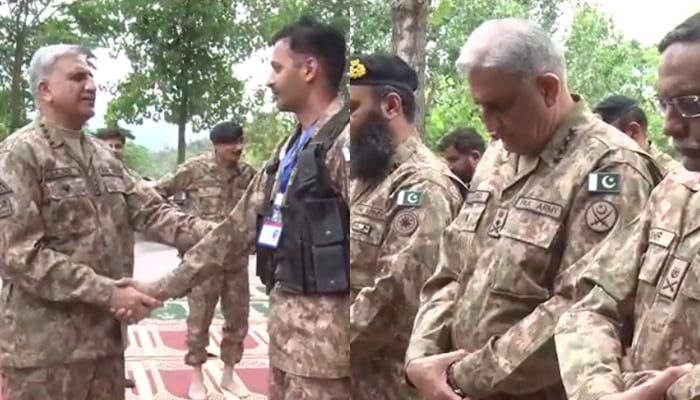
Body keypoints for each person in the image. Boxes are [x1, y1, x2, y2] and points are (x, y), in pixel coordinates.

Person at [403, 18, 662, 400]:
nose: (490, 126)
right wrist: (421, 359)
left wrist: (462, 377)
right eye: (481, 109)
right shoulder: (496, 158)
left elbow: (581, 307)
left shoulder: (610, 168)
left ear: (547, 88)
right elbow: (452, 267)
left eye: (501, 107)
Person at [114, 16, 350, 399]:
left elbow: (382, 262)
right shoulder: (290, 150)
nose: (269, 80)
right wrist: (157, 288)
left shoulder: (346, 143)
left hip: (334, 355)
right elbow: (232, 232)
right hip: (290, 346)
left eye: (276, 68)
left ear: (309, 69)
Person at [0, 44, 216, 400]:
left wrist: (231, 233)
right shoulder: (19, 155)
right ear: (45, 90)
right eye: (78, 76)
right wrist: (109, 292)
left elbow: (155, 212)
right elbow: (20, 255)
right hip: (43, 354)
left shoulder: (102, 156)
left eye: (91, 76)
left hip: (105, 346)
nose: (91, 85)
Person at [554, 12, 700, 400]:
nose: (669, 125)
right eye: (665, 103)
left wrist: (667, 390)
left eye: (691, 103)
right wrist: (601, 391)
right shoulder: (674, 195)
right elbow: (591, 306)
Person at [348, 54, 466, 399]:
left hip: (391, 385)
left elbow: (395, 295)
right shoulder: (370, 179)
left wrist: (322, 345)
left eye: (353, 110)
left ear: (391, 106)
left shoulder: (422, 185)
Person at [153, 121, 256, 399]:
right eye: (230, 143)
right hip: (202, 263)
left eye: (240, 141)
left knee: (238, 319)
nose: (237, 148)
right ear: (216, 145)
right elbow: (156, 194)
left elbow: (263, 204)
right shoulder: (194, 169)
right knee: (199, 320)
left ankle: (228, 376)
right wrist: (180, 229)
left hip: (236, 261)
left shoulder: (248, 174)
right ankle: (196, 378)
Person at [594, 95, 681, 175]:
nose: (600, 145)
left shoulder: (675, 179)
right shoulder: (604, 172)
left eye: (605, 139)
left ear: (633, 132)